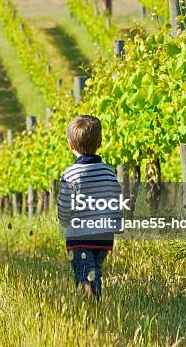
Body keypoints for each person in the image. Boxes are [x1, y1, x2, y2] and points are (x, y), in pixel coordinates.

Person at [57, 115, 123, 299]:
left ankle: (91, 307)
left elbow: (64, 205)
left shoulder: (71, 174)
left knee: (85, 273)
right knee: (95, 269)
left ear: (71, 145)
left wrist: (64, 221)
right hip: (103, 237)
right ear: (100, 142)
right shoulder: (109, 172)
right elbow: (116, 201)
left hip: (79, 236)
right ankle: (93, 303)